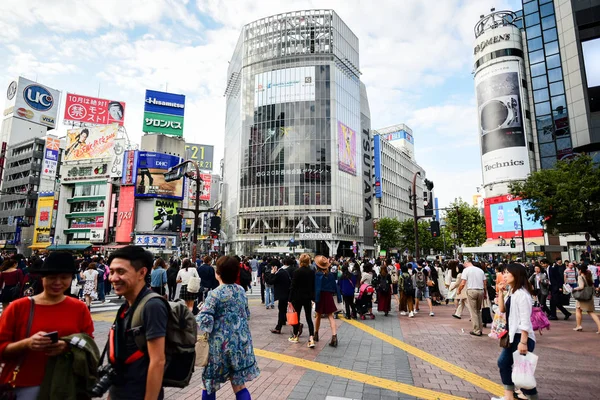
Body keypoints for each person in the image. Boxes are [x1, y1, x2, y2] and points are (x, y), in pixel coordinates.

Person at [0, 252, 94, 400]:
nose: (57, 282)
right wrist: (27, 343)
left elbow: (88, 347)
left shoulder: (79, 309)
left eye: (64, 277)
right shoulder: (19, 307)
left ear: (71, 278)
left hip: (64, 386)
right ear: (42, 278)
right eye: (51, 277)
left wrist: (66, 347)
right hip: (23, 386)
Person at [107, 246, 169, 400]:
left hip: (138, 393)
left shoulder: (152, 305)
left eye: (121, 272)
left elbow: (158, 360)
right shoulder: (126, 306)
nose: (113, 278)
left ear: (142, 272)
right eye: (112, 271)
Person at [197, 256, 260, 400]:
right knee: (239, 385)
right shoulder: (240, 291)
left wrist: (200, 314)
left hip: (219, 347)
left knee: (209, 384)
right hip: (240, 343)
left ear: (217, 273)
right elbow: (246, 314)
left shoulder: (214, 294)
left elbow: (205, 322)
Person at [493, 263, 537, 400]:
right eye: (504, 273)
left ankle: (522, 395)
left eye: (507, 273)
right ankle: (523, 395)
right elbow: (502, 310)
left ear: (516, 274)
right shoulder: (512, 292)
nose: (504, 275)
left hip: (521, 336)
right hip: (513, 335)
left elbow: (525, 321)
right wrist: (500, 292)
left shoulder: (522, 295)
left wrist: (523, 342)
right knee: (516, 366)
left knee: (509, 364)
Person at [314, 256, 342, 347]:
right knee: (331, 316)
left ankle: (316, 334)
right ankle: (334, 336)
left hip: (320, 296)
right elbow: (335, 287)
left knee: (318, 315)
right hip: (328, 296)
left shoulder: (317, 275)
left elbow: (315, 287)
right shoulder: (330, 275)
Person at [288, 254, 316, 347]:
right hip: (307, 297)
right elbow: (313, 286)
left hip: (297, 297)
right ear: (308, 261)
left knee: (297, 317)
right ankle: (311, 338)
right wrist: (313, 298)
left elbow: (293, 286)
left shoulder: (297, 271)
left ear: (300, 261)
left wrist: (290, 299)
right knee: (309, 318)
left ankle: (295, 336)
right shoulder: (312, 272)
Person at [458, 259, 487, 336]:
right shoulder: (480, 270)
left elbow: (463, 283)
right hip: (481, 291)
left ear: (467, 263)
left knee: (473, 311)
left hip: (471, 290)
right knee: (478, 310)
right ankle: (480, 329)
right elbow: (484, 283)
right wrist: (485, 293)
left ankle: (476, 330)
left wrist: (459, 290)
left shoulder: (466, 270)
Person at [572, 264, 600, 333]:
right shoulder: (589, 276)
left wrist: (574, 289)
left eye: (578, 270)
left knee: (583, 311)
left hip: (582, 297)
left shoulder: (580, 277)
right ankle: (578, 326)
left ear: (580, 270)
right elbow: (592, 285)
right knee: (581, 310)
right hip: (589, 296)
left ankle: (579, 326)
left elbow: (581, 286)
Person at [267, 259, 291, 334]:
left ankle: (279, 327)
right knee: (283, 310)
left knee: (281, 310)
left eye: (272, 267)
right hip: (286, 294)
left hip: (283, 295)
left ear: (275, 267)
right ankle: (282, 322)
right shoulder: (284, 272)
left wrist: (272, 273)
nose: (271, 268)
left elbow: (270, 281)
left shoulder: (279, 273)